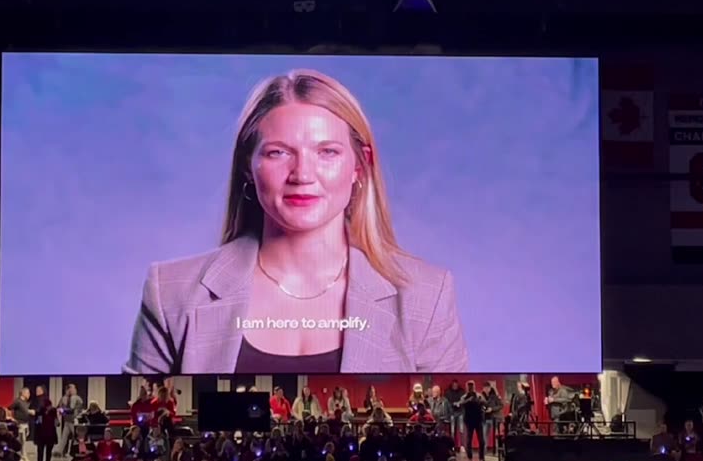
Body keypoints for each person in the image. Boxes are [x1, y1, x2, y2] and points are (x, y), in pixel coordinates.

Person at [125, 69, 468, 373]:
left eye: (327, 152)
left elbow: (440, 437)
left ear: (359, 166)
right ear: (248, 164)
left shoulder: (426, 295)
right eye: (279, 152)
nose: (303, 174)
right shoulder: (171, 291)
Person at [459, 381, 487, 461]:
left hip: (478, 420)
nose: (470, 388)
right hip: (468, 420)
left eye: (472, 386)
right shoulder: (464, 397)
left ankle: (481, 457)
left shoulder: (479, 395)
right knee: (468, 440)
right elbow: (461, 404)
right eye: (469, 386)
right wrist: (469, 400)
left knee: (481, 440)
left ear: (474, 387)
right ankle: (470, 457)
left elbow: (485, 403)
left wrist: (478, 401)